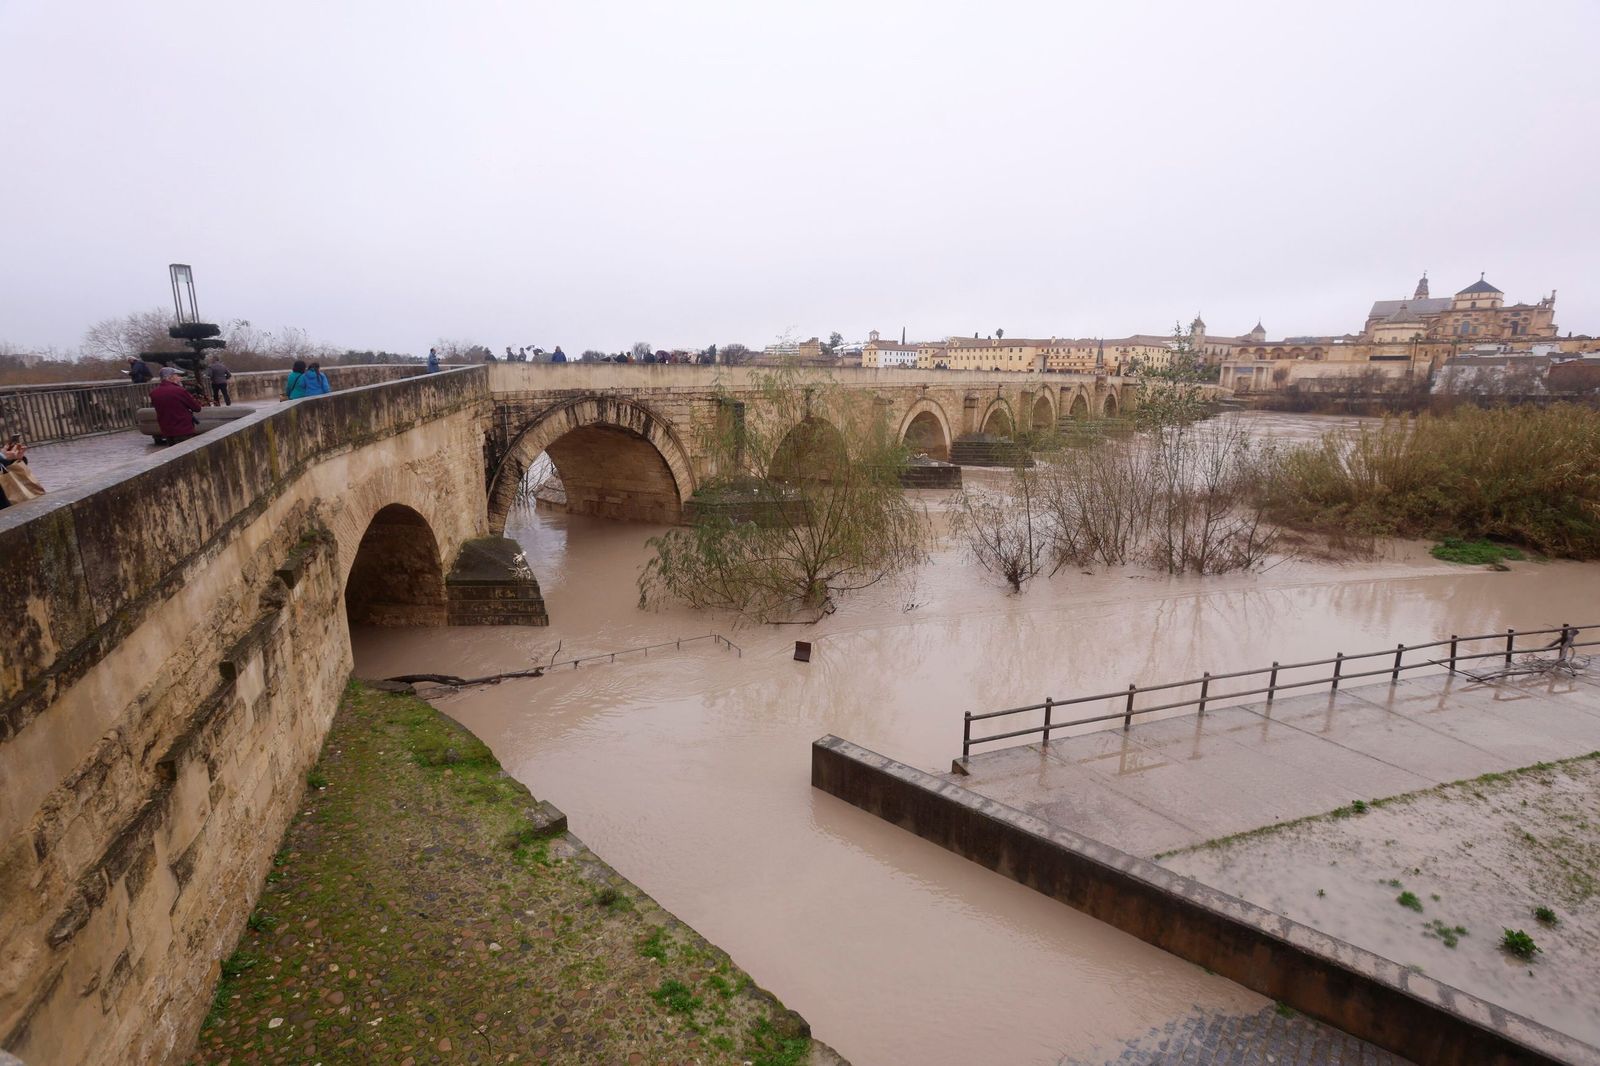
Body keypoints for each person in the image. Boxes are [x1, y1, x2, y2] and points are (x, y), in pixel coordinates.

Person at [150, 366, 202, 444]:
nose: (179, 378)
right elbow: (197, 408)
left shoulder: (154, 393)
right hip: (183, 429)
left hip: (167, 429)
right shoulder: (179, 390)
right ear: (170, 377)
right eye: (177, 376)